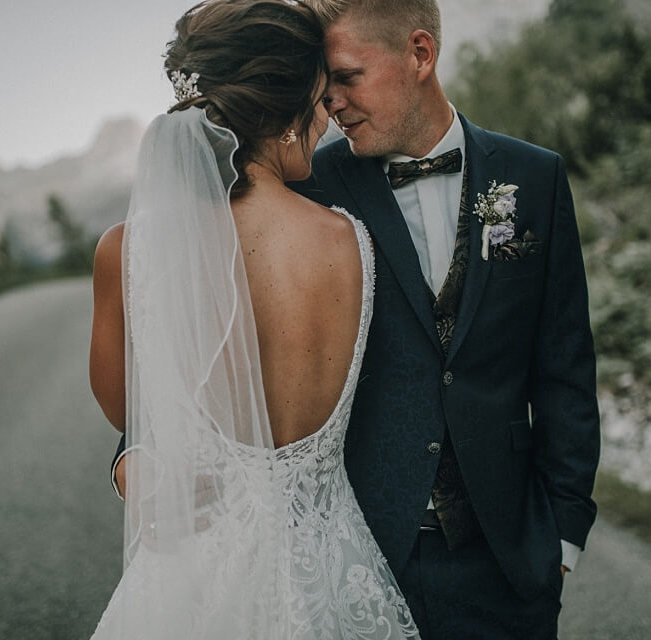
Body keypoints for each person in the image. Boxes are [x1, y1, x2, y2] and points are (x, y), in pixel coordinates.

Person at [112, 0, 601, 637]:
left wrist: (563, 537)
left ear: (419, 55)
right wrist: (138, 451)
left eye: (346, 78)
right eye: (323, 86)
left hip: (507, 561)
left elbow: (565, 369)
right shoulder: (302, 181)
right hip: (355, 560)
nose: (330, 104)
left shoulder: (534, 176)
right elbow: (197, 323)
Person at [89, 0, 419, 638]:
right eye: (320, 99)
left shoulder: (126, 251)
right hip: (332, 570)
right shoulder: (351, 241)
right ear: (287, 115)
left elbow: (126, 412)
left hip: (196, 575)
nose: (327, 117)